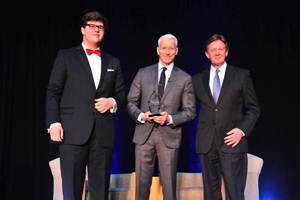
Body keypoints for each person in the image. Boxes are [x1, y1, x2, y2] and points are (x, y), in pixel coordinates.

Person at [46, 11, 126, 200]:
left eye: (100, 27)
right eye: (91, 26)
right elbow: (52, 92)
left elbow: (122, 94)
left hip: (103, 134)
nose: (96, 30)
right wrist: (54, 123)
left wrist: (112, 102)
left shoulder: (113, 61)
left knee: (100, 191)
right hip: (72, 132)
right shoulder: (66, 56)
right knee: (71, 191)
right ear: (83, 29)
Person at [127, 34, 196, 200]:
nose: (167, 51)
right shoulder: (143, 73)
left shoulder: (185, 78)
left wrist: (170, 118)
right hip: (144, 135)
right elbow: (130, 102)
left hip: (169, 137)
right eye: (164, 48)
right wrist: (142, 115)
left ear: (176, 51)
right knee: (141, 189)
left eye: (171, 48)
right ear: (158, 50)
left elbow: (190, 111)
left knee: (169, 189)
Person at [192, 34, 260, 200]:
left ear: (226, 52)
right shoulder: (196, 79)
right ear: (207, 54)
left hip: (232, 141)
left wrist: (242, 131)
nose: (217, 53)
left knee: (235, 193)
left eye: (220, 49)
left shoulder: (241, 75)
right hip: (206, 143)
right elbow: (187, 108)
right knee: (210, 194)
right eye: (213, 50)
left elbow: (254, 109)